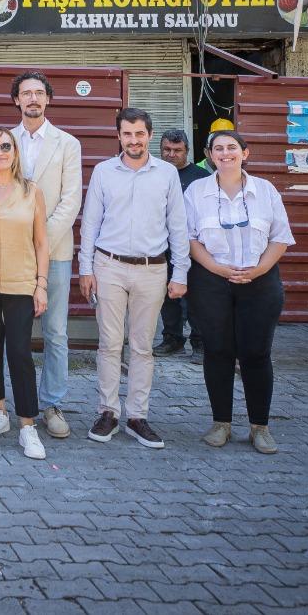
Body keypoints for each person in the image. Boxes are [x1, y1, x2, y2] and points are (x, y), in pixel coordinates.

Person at [77, 108, 190, 450]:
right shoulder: (103, 172)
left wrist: (180, 272)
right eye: (127, 134)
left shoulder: (167, 173)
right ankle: (108, 411)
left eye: (139, 134)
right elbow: (90, 223)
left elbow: (178, 226)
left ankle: (137, 416)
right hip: (108, 265)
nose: (133, 140)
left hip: (152, 269)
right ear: (119, 136)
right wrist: (86, 269)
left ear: (149, 135)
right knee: (110, 344)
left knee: (142, 346)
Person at [185, 129, 293, 454]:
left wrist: (258, 270)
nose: (225, 153)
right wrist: (218, 269)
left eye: (232, 147)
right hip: (212, 281)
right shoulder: (196, 191)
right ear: (209, 155)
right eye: (218, 148)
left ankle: (260, 427)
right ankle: (221, 424)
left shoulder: (265, 190)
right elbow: (189, 238)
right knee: (217, 351)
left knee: (256, 354)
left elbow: (280, 237)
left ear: (245, 153)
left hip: (260, 281)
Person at [11, 71, 82, 440]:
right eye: (27, 93)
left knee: (55, 331)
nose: (33, 99)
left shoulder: (68, 144)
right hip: (9, 255)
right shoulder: (4, 141)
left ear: (48, 99)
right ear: (17, 101)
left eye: (39, 93)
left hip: (54, 252)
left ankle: (51, 404)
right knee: (14, 332)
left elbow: (71, 201)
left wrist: (39, 243)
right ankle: (9, 405)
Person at [0, 127, 49, 460]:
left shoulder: (32, 191)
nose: (0, 152)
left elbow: (42, 242)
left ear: (15, 152)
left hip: (21, 283)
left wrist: (41, 283)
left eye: (6, 146)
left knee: (19, 352)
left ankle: (28, 426)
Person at [154, 128, 210, 359]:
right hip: (161, 244)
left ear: (187, 150)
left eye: (177, 150)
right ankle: (172, 339)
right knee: (168, 296)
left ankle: (200, 343)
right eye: (166, 149)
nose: (171, 154)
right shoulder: (154, 173)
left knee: (196, 296)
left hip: (194, 246)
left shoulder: (202, 177)